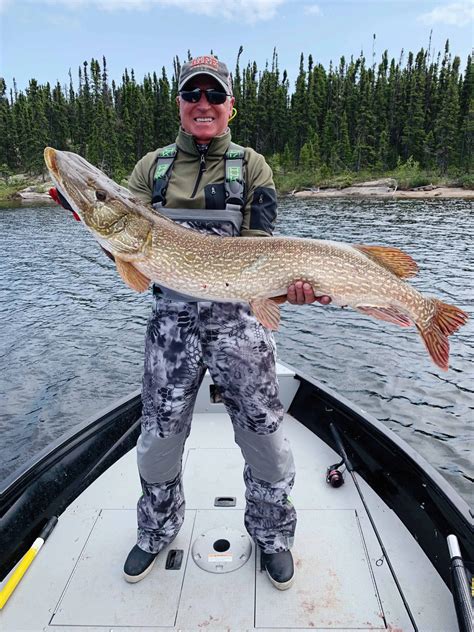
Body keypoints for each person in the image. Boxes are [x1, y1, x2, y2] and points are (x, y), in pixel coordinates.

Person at [123, 55, 329, 590]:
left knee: (264, 437)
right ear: (181, 104)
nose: (204, 105)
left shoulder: (251, 166)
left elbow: (263, 248)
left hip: (240, 320)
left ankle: (272, 535)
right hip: (170, 326)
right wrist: (92, 225)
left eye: (214, 95)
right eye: (193, 95)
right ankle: (157, 528)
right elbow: (129, 257)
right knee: (158, 438)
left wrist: (291, 287)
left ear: (230, 104)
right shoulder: (152, 168)